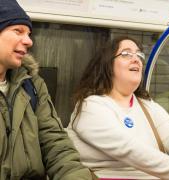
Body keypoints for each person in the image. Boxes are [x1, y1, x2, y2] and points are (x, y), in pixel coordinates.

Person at [0, 0, 96, 179]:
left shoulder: (31, 85)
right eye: (18, 31)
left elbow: (56, 145)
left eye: (29, 34)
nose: (28, 41)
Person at [67, 36, 169, 179]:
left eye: (139, 54)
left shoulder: (147, 106)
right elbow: (129, 149)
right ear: (107, 65)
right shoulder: (91, 106)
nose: (136, 59)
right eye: (126, 54)